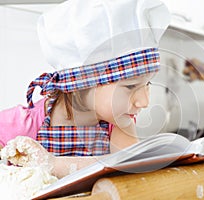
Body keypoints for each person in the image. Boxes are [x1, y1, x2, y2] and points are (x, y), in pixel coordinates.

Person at [0, 0, 170, 178]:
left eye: (147, 85)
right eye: (130, 86)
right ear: (82, 83)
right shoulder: (19, 125)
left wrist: (54, 165)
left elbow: (128, 167)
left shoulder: (119, 124)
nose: (144, 101)